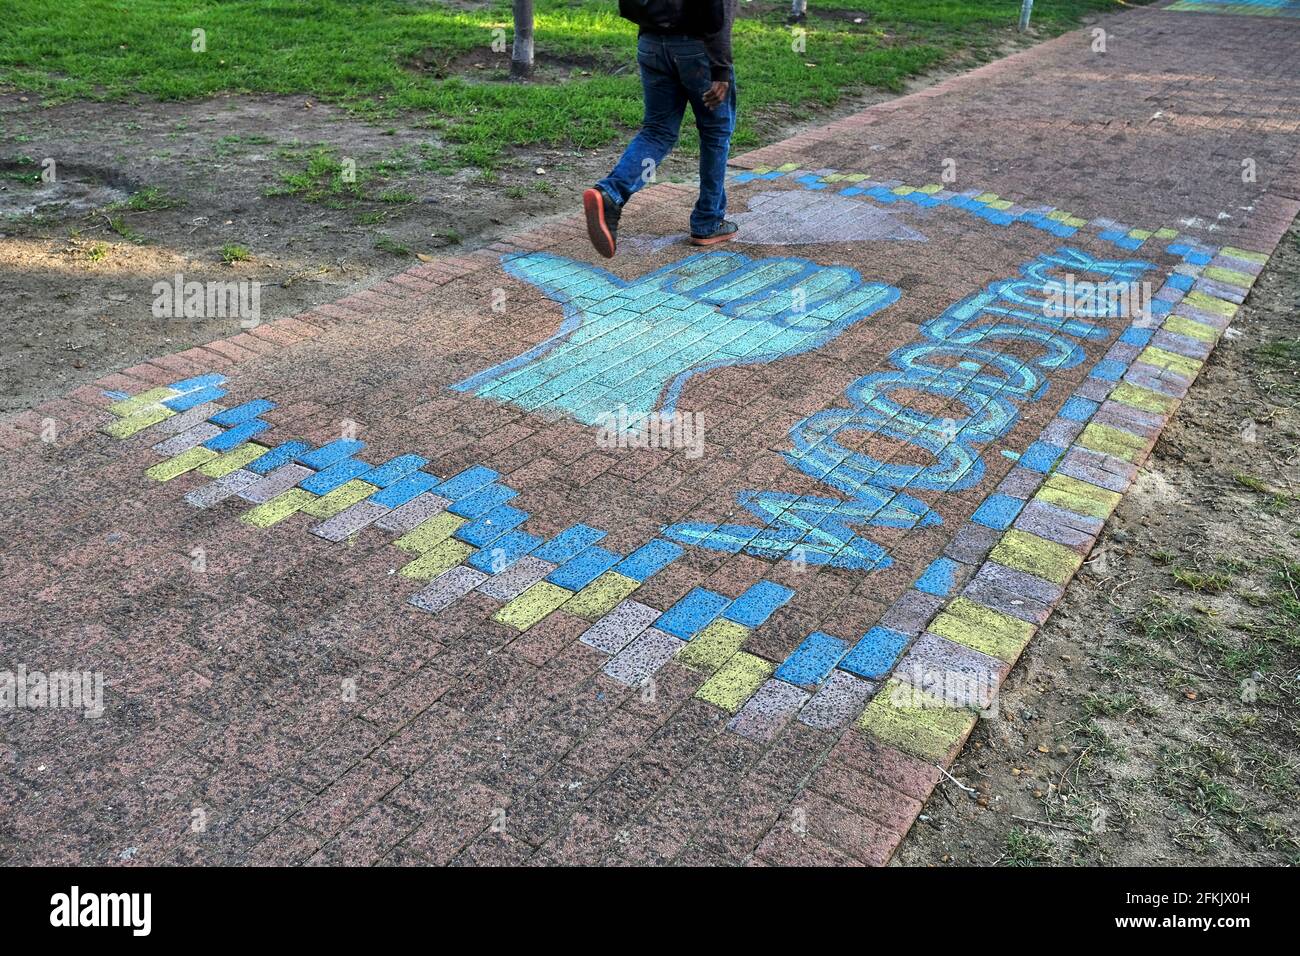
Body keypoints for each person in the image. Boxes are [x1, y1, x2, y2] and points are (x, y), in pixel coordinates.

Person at [583, 0, 738, 258]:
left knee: (657, 131)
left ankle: (611, 193)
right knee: (715, 133)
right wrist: (721, 69)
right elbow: (721, 9)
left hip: (651, 43)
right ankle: (708, 220)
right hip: (698, 49)